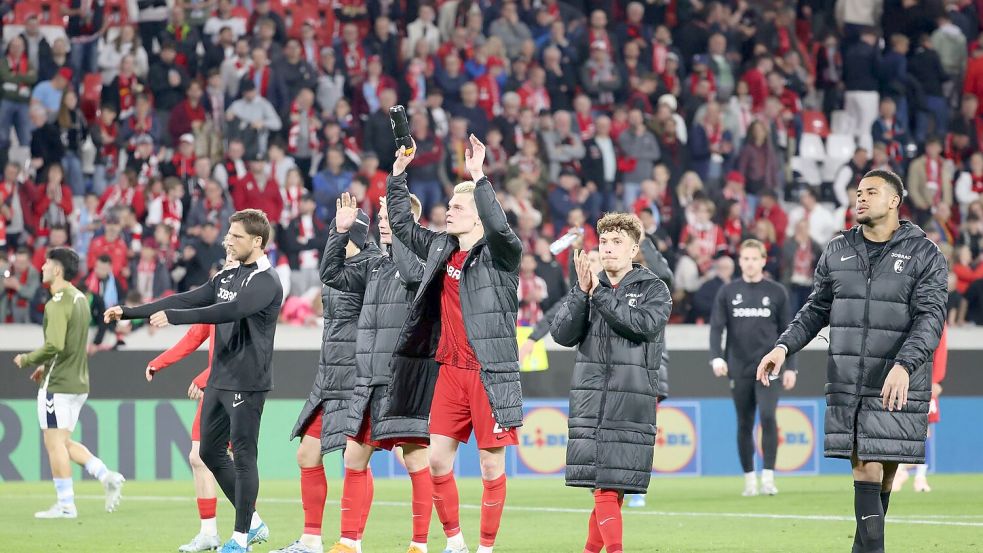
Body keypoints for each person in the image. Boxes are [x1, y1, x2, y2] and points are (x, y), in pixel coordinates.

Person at [756, 170, 948, 553]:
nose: (861, 198)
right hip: (849, 382)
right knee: (866, 468)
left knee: (884, 477)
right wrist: (783, 347)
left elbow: (931, 318)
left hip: (899, 382)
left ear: (894, 201)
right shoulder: (838, 249)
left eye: (871, 192)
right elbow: (816, 309)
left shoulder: (925, 254)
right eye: (858, 192)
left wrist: (904, 365)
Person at [105, 209, 283, 553]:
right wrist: (129, 312)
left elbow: (227, 312)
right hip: (219, 378)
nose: (229, 241)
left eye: (237, 236)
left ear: (257, 241)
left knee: (244, 456)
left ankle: (240, 538)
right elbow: (186, 298)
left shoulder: (267, 280)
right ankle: (254, 523)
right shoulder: (227, 275)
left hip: (248, 381)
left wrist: (174, 318)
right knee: (208, 452)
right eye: (229, 234)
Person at [385, 135, 522, 553]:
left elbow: (500, 226)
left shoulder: (501, 255)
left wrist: (478, 176)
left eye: (458, 208)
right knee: (437, 460)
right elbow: (402, 226)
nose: (448, 212)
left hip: (488, 373)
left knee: (489, 465)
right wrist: (397, 174)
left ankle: (485, 548)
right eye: (449, 206)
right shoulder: (441, 249)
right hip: (449, 370)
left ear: (478, 218)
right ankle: (455, 542)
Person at [308, 192, 433, 553]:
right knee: (354, 457)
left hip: (403, 377)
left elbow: (411, 274)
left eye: (389, 217)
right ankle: (350, 542)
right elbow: (331, 274)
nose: (382, 222)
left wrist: (403, 236)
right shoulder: (374, 265)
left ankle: (419, 543)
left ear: (407, 221)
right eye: (380, 217)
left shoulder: (424, 261)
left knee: (415, 457)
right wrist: (339, 232)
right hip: (369, 377)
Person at [549, 213, 672, 553]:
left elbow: (640, 325)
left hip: (630, 402)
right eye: (603, 241)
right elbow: (562, 334)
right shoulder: (588, 286)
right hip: (590, 401)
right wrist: (580, 292)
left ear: (634, 249)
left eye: (617, 242)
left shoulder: (654, 289)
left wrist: (598, 293)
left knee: (608, 489)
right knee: (607, 490)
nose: (608, 248)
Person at [275, 208, 380, 553]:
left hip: (358, 377)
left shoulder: (373, 267)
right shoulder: (336, 268)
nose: (335, 235)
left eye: (343, 230)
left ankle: (352, 540)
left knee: (356, 460)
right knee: (307, 454)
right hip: (330, 375)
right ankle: (311, 540)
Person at [12, 247, 125, 519]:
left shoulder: (57, 302)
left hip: (58, 385)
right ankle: (105, 475)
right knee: (62, 441)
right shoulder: (80, 298)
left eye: (46, 264)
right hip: (79, 383)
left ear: (57, 269)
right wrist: (45, 365)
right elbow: (71, 344)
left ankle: (65, 506)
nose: (42, 267)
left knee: (54, 444)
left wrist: (28, 359)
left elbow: (55, 344)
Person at [709, 239, 796, 496]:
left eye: (754, 258)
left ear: (763, 260)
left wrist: (791, 367)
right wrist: (716, 357)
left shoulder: (777, 292)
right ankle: (749, 479)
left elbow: (789, 331)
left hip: (769, 369)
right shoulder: (727, 292)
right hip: (739, 367)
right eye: (745, 258)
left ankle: (768, 477)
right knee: (744, 422)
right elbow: (716, 328)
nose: (749, 263)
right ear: (740, 261)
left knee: (768, 417)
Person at [893, 324, 948, 493]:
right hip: (903, 376)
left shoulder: (936, 318)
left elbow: (941, 349)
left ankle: (919, 476)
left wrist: (936, 380)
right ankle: (900, 470)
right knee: (900, 426)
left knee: (924, 427)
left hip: (925, 379)